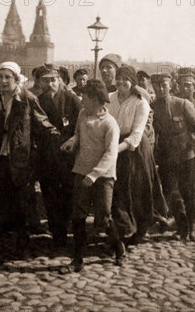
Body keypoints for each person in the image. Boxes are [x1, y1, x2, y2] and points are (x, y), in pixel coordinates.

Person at [0, 62, 60, 262]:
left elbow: (41, 120)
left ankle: (22, 244)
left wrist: (55, 134)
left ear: (16, 79)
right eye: (1, 76)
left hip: (20, 157)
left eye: (8, 77)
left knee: (21, 203)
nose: (3, 81)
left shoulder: (27, 98)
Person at [60, 79, 123, 272]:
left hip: (103, 176)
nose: (82, 102)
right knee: (78, 216)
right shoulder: (82, 114)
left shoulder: (110, 124)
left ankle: (119, 248)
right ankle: (77, 260)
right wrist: (73, 140)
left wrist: (94, 175)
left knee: (103, 219)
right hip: (81, 171)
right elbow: (79, 134)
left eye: (85, 99)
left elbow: (111, 154)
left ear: (96, 100)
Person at [109, 65, 167, 246]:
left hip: (136, 150)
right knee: (119, 190)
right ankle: (124, 229)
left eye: (125, 79)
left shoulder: (141, 102)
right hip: (116, 145)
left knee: (138, 190)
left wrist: (113, 150)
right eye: (118, 78)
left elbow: (136, 135)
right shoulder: (110, 99)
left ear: (132, 82)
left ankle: (141, 229)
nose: (120, 82)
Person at [151, 73, 195, 241]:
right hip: (166, 156)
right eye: (157, 85)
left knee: (189, 192)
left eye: (164, 85)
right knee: (170, 192)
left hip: (186, 154)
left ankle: (194, 226)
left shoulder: (182, 104)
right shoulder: (152, 107)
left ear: (171, 86)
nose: (160, 88)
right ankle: (182, 224)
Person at [36, 64, 82, 247]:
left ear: (61, 81)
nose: (49, 84)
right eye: (45, 80)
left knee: (68, 193)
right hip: (46, 155)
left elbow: (82, 124)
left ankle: (66, 227)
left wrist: (74, 140)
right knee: (49, 193)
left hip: (68, 155)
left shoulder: (71, 99)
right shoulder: (37, 100)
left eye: (52, 80)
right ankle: (57, 232)